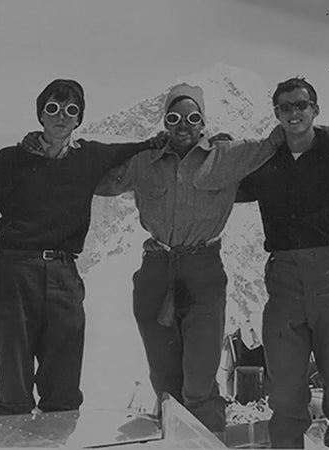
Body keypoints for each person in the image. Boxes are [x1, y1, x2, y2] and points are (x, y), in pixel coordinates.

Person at [85, 83, 283, 438]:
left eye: (193, 118)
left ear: (203, 121)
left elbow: (276, 142)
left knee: (200, 380)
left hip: (202, 271)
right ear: (164, 121)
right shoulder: (144, 163)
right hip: (155, 272)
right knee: (164, 380)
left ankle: (207, 442)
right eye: (174, 117)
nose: (184, 125)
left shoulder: (226, 155)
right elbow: (98, 182)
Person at [0, 79, 163, 416]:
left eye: (71, 110)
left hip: (64, 279)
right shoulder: (10, 160)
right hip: (14, 276)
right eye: (53, 108)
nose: (61, 117)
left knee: (64, 390)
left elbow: (142, 147)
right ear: (40, 113)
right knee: (14, 388)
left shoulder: (91, 157)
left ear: (79, 118)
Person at [197, 77, 329, 449]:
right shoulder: (265, 162)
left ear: (315, 109)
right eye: (285, 107)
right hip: (284, 278)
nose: (294, 113)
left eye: (301, 105)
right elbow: (221, 180)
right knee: (285, 388)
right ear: (276, 113)